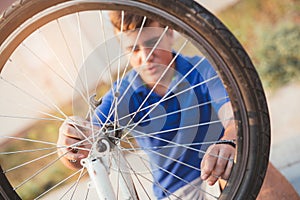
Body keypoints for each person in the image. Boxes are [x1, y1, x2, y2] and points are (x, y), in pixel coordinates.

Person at [57, 11, 299, 200]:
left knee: (249, 160)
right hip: (176, 193)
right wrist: (69, 146)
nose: (145, 56)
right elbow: (85, 145)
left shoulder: (200, 69)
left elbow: (233, 115)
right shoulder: (124, 92)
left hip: (220, 172)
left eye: (152, 43)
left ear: (170, 32)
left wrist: (229, 142)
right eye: (134, 49)